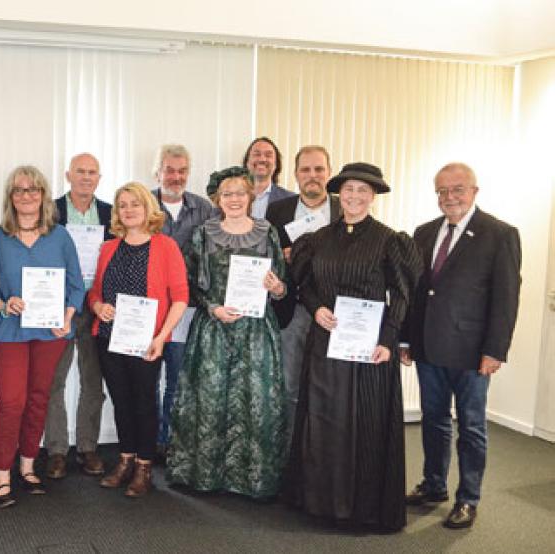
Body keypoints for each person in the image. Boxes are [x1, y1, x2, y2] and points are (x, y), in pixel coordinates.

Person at [284, 162, 422, 531]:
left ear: (373, 196)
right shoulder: (318, 238)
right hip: (326, 342)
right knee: (323, 422)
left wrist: (389, 341)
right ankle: (320, 501)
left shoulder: (390, 240)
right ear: (338, 193)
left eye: (364, 191)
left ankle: (361, 509)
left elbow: (402, 296)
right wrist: (316, 310)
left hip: (368, 348)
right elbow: (306, 286)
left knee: (365, 424)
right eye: (349, 190)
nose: (355, 196)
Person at [401, 163, 521, 529]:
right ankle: (434, 485)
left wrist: (495, 350)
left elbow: (506, 297)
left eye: (457, 189)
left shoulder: (499, 234)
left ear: (474, 191)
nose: (449, 197)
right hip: (428, 347)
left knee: (470, 426)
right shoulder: (423, 233)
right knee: (433, 421)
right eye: (441, 191)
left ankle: (468, 498)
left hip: (472, 353)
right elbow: (415, 293)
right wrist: (406, 338)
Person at [168, 168, 287, 499]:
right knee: (210, 399)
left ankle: (254, 479)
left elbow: (282, 285)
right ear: (217, 199)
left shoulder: (268, 232)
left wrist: (277, 286)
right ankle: (206, 476)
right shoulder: (204, 233)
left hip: (257, 331)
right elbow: (189, 282)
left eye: (240, 192)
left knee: (255, 402)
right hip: (215, 329)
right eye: (227, 193)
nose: (234, 199)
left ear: (250, 196)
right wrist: (212, 307)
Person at [0, 165, 84, 507]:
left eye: (33, 190)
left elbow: (75, 284)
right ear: (10, 197)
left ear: (43, 195)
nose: (26, 196)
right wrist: (3, 303)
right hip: (9, 331)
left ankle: (27, 467)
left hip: (50, 331)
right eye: (19, 190)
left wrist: (67, 315)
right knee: (11, 401)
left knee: (39, 398)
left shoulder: (60, 237)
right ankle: (2, 472)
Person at [89, 182, 188, 497]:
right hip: (109, 338)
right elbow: (96, 292)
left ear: (148, 208)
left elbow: (180, 298)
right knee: (121, 401)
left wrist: (162, 337)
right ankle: (125, 459)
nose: (129, 210)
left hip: (148, 341)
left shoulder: (166, 246)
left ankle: (144, 466)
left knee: (145, 402)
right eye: (123, 205)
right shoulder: (108, 247)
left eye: (135, 203)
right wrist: (97, 306)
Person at [265, 145, 342, 442]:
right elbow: (267, 259)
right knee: (289, 387)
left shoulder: (344, 208)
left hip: (333, 312)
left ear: (329, 173)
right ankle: (289, 460)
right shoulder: (278, 210)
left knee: (330, 388)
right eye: (306, 170)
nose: (313, 176)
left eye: (319, 169)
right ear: (295, 174)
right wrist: (282, 257)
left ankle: (323, 456)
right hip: (293, 309)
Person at [44, 153, 112, 480]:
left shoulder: (111, 214)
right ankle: (57, 450)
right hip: (60, 306)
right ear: (68, 174)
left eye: (92, 173)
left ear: (99, 178)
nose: (86, 177)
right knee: (54, 381)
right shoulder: (51, 211)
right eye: (80, 172)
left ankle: (88, 447)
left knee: (93, 381)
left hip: (97, 307)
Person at [150, 144, 216, 462]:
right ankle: (146, 442)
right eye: (169, 170)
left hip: (185, 309)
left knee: (177, 379)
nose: (175, 177)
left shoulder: (205, 210)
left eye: (181, 171)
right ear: (158, 172)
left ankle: (168, 442)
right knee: (147, 382)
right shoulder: (143, 204)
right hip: (146, 309)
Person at [242, 137, 297, 219]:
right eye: (257, 154)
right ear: (247, 162)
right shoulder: (228, 197)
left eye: (268, 155)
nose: (262, 159)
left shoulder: (292, 200)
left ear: (276, 164)